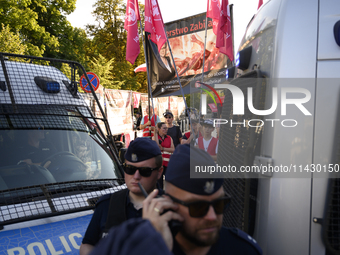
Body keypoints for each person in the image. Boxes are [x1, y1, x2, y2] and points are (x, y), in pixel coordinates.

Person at [143, 144, 263, 254]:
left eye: (219, 204)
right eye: (198, 207)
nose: (212, 216)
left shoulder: (244, 250)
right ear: (168, 205)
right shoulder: (148, 249)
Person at [79, 138, 163, 255]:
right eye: (130, 169)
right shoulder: (107, 204)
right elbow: (87, 244)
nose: (136, 176)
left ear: (159, 172)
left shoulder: (171, 208)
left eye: (145, 171)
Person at [154, 122, 175, 188]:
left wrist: (163, 148)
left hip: (168, 163)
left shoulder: (169, 138)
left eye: (166, 128)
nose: (166, 130)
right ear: (159, 129)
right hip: (159, 164)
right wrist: (155, 133)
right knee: (159, 182)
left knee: (169, 181)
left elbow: (173, 149)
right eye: (164, 128)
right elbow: (156, 146)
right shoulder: (155, 137)